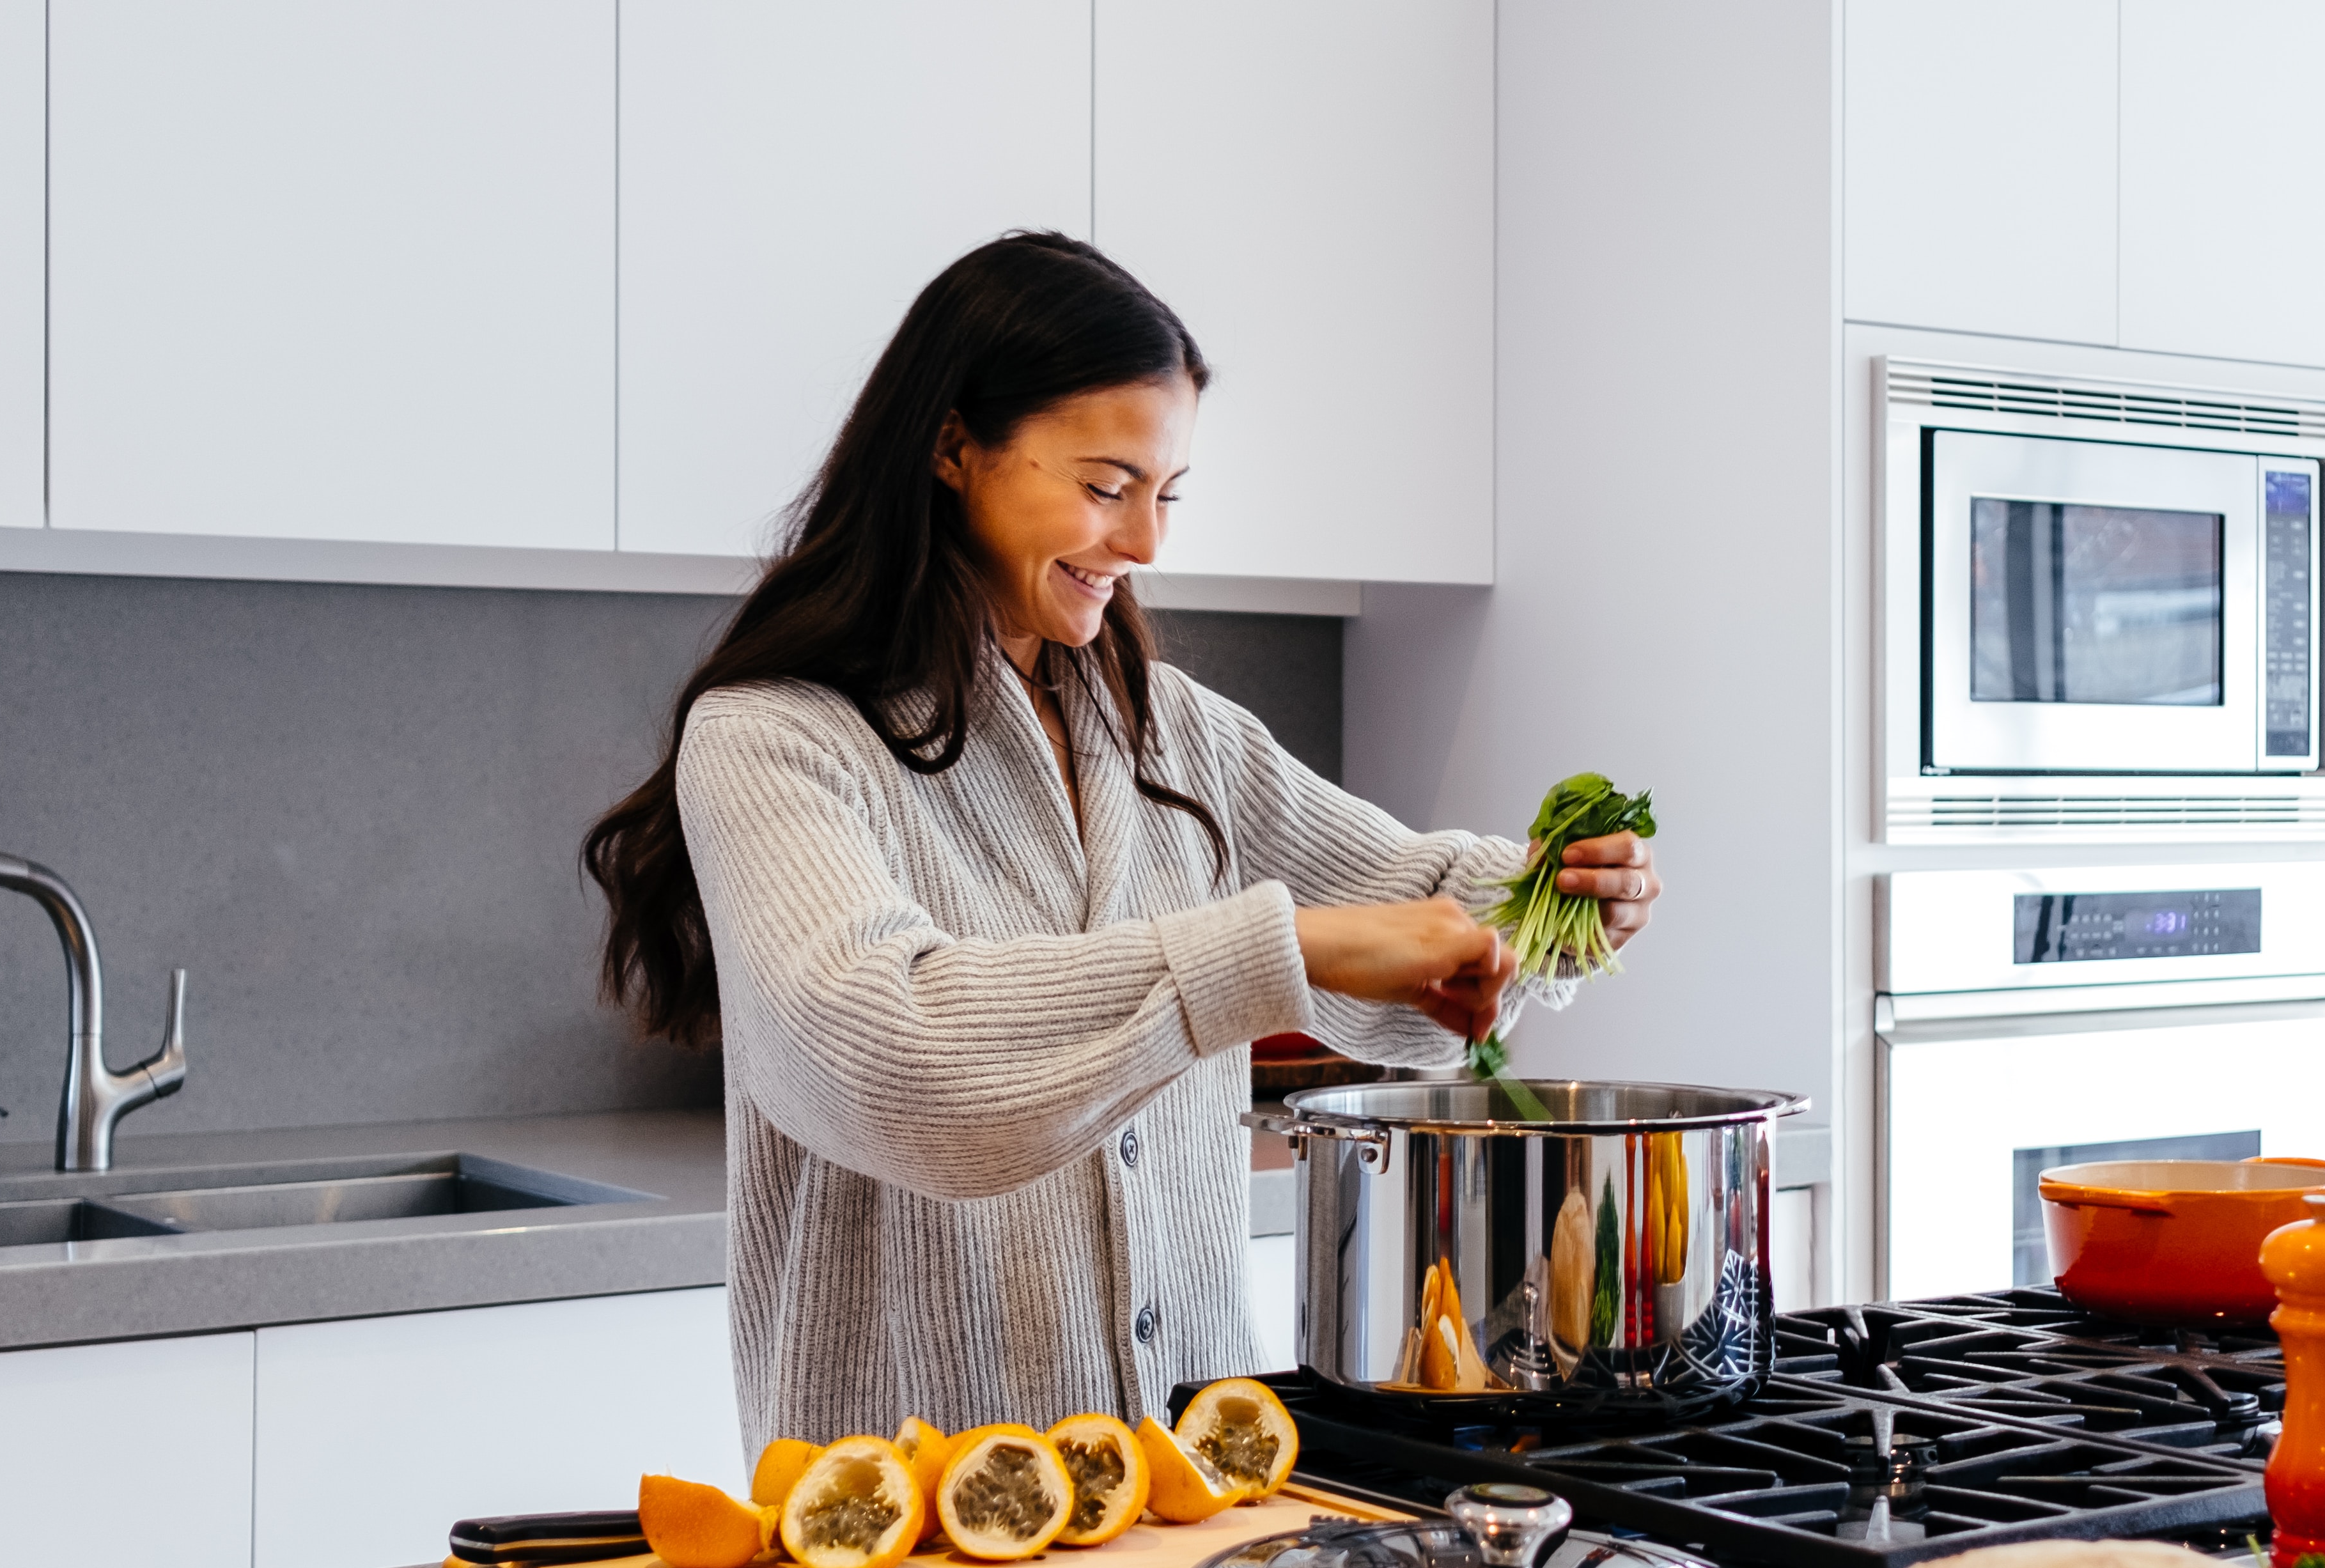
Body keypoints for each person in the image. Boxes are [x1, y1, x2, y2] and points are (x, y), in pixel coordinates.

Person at [584, 233, 1661, 1454]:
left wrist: (1549, 904)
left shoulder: (1172, 731)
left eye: (1167, 493)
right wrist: (1277, 953)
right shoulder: (777, 739)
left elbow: (1407, 901)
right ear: (951, 449)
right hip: (908, 1518)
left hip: (1199, 1486)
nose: (1147, 543)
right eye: (1106, 487)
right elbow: (889, 1054)